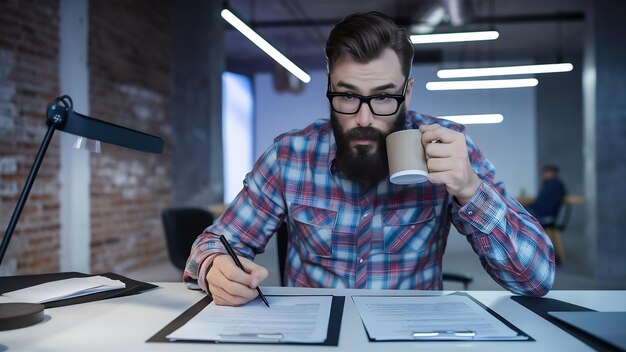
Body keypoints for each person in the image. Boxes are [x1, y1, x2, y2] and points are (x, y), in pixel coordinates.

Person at [184, 12, 555, 305]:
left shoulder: (448, 147)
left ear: (407, 93)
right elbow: (213, 243)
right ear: (329, 87)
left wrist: (471, 190)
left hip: (411, 336)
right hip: (314, 335)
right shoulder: (290, 155)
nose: (364, 118)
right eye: (347, 96)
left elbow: (536, 279)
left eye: (382, 97)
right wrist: (215, 266)